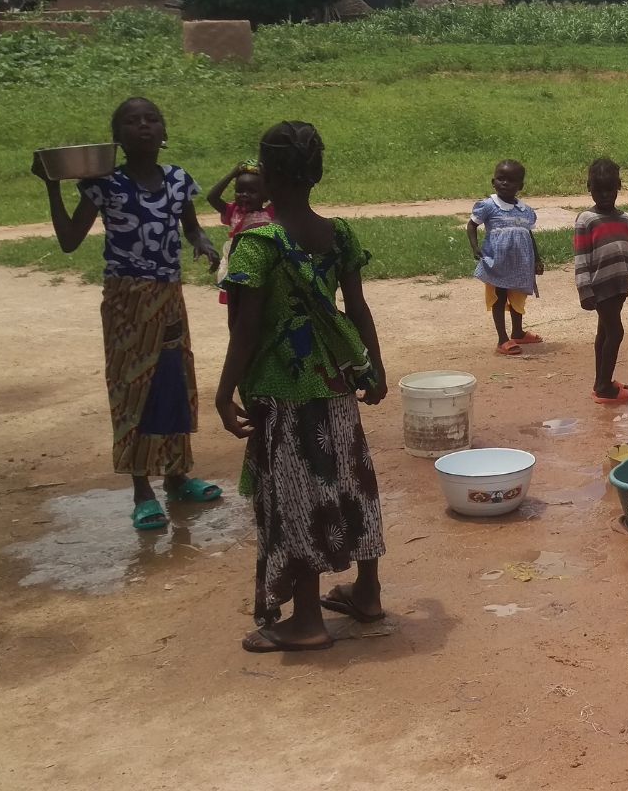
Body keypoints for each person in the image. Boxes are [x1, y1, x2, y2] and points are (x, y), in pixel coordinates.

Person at [216, 121, 388, 653]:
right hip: (336, 383)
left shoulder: (256, 245)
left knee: (296, 495)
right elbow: (356, 309)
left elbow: (245, 332)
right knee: (349, 480)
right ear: (316, 173)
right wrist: (375, 367)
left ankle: (308, 620)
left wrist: (223, 395)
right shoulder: (337, 235)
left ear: (266, 175)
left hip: (281, 391)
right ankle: (367, 591)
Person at [33, 97, 223, 531]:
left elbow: (189, 224)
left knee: (172, 383)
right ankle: (142, 491)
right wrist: (51, 186)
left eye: (152, 119)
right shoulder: (104, 184)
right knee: (131, 386)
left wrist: (203, 242)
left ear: (164, 131)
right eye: (132, 122)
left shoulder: (178, 180)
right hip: (125, 300)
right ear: (116, 138)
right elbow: (67, 240)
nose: (143, 126)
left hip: (168, 297)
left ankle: (177, 476)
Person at [573, 159, 628, 405]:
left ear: (619, 187)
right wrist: (584, 290)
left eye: (609, 189)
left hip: (619, 288)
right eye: (598, 190)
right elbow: (581, 258)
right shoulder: (586, 220)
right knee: (616, 332)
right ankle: (604, 387)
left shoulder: (626, 220)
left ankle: (601, 381)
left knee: (604, 333)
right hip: (599, 287)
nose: (604, 195)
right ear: (588, 187)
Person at [468, 159, 543, 355]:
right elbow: (472, 225)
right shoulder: (488, 206)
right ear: (493, 182)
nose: (505, 183)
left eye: (511, 180)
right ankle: (502, 338)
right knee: (499, 299)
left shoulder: (525, 210)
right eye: (501, 179)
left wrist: (537, 259)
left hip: (520, 264)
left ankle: (518, 332)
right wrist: (475, 247)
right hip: (497, 263)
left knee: (518, 297)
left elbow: (529, 234)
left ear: (521, 186)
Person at [207, 161, 275, 305]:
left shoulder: (269, 213)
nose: (244, 195)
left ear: (265, 196)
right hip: (236, 265)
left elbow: (281, 193)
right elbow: (212, 197)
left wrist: (267, 176)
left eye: (252, 191)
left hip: (260, 264)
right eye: (239, 190)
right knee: (237, 304)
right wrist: (232, 174)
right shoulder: (232, 212)